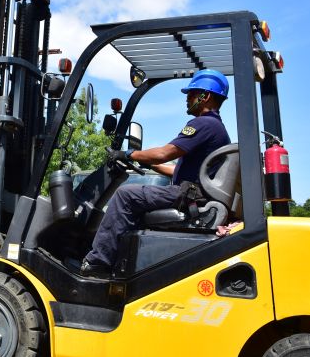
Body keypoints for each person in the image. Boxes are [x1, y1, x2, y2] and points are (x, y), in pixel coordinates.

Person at [80, 69, 232, 278]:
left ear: (204, 96)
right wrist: (147, 164)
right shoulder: (217, 128)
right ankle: (122, 262)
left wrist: (129, 153)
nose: (187, 99)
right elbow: (172, 167)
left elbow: (163, 153)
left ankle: (98, 262)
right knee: (136, 199)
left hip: (187, 195)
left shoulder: (203, 124)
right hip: (192, 193)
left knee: (125, 196)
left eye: (191, 94)